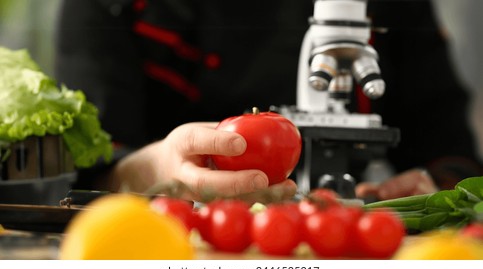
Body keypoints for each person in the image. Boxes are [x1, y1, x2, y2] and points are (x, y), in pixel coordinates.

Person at [53, 0, 483, 202]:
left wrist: (426, 194)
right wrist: (147, 171)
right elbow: (79, 170)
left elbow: (453, 154)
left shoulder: (397, 9)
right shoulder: (110, 9)